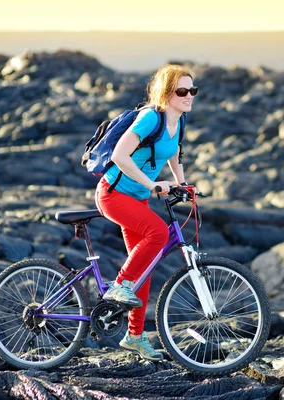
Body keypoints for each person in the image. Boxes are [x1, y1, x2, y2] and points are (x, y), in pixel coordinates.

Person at [95, 64, 198, 361]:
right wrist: (153, 184)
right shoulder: (150, 117)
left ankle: (135, 337)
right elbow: (119, 156)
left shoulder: (179, 121)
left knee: (147, 268)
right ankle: (119, 287)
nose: (189, 96)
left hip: (137, 198)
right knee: (156, 233)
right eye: (182, 91)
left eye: (193, 90)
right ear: (166, 93)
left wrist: (183, 185)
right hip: (113, 194)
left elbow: (174, 155)